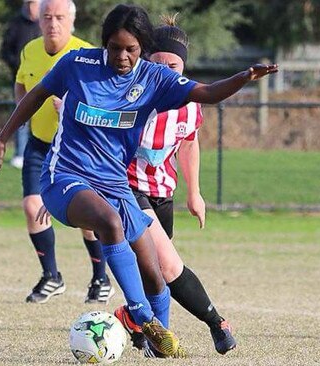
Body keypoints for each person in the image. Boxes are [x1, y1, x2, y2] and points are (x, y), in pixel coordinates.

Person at [0, 3, 276, 357]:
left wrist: (244, 77)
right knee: (109, 222)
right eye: (115, 47)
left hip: (115, 186)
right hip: (66, 177)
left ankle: (158, 344)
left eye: (130, 49)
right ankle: (140, 315)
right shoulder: (79, 64)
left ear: (142, 49)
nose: (122, 56)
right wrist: (2, 138)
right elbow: (36, 94)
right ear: (105, 44)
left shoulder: (154, 78)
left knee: (154, 270)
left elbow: (208, 94)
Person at [116, 15, 237, 357]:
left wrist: (194, 192)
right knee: (167, 265)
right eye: (159, 63)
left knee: (152, 272)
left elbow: (188, 143)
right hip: (126, 187)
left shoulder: (189, 101)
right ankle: (218, 324)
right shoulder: (128, 92)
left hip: (162, 192)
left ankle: (138, 325)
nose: (167, 71)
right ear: (146, 61)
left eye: (174, 65)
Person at [12, 0, 114, 304]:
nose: (52, 23)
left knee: (85, 216)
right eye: (47, 17)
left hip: (75, 148)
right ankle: (52, 276)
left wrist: (71, 107)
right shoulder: (30, 50)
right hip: (40, 143)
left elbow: (104, 103)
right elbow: (21, 83)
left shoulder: (86, 55)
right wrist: (23, 110)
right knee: (32, 207)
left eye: (59, 17)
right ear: (38, 20)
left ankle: (101, 278)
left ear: (71, 21)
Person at [1, 0, 41, 169]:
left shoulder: (45, 24)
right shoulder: (16, 24)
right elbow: (5, 51)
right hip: (21, 78)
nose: (34, 8)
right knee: (21, 113)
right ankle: (20, 153)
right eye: (31, 4)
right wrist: (18, 66)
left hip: (43, 79)